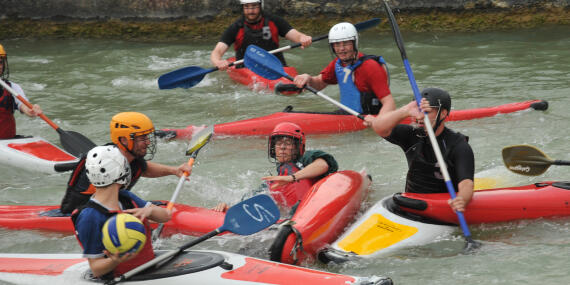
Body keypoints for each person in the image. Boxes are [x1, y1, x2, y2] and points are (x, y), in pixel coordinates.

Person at [60, 112, 193, 214]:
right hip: (81, 212)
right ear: (124, 140)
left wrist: (174, 170)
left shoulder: (133, 158)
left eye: (147, 137)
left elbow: (144, 169)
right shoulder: (102, 164)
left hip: (115, 206)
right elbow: (100, 204)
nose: (147, 142)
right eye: (142, 138)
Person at [72, 145, 171, 279]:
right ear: (119, 171)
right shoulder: (89, 217)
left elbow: (166, 216)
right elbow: (96, 269)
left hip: (150, 269)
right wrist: (115, 260)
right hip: (122, 278)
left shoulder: (125, 197)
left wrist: (149, 211)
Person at [371, 88, 475, 212]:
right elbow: (379, 127)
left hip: (444, 206)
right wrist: (407, 110)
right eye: (417, 111)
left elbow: (466, 184)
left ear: (442, 113)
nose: (419, 117)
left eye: (426, 111)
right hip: (412, 203)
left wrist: (462, 199)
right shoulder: (412, 135)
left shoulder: (459, 145)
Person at [214, 122, 338, 211]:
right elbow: (252, 203)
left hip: (312, 207)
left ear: (298, 147)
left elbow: (323, 165)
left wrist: (292, 178)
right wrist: (229, 208)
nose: (282, 147)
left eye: (288, 143)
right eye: (279, 143)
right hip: (292, 217)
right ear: (273, 148)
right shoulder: (274, 182)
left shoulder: (306, 158)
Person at [292, 22, 396, 123]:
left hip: (367, 118)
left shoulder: (370, 67)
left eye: (346, 43)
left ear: (354, 43)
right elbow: (319, 83)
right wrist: (308, 79)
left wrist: (378, 121)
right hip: (345, 116)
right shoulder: (337, 64)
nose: (341, 49)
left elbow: (389, 104)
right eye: (337, 44)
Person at [210, 0, 312, 71]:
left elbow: (295, 35)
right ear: (242, 8)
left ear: (260, 5)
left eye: (254, 6)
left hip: (277, 67)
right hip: (246, 69)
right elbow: (217, 51)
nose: (250, 11)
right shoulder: (236, 27)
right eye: (247, 7)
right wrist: (218, 62)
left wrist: (302, 38)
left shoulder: (274, 21)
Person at [0, 43, 43, 139]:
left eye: (0, 62)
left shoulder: (12, 88)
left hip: (6, 142)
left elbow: (24, 106)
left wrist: (31, 110)